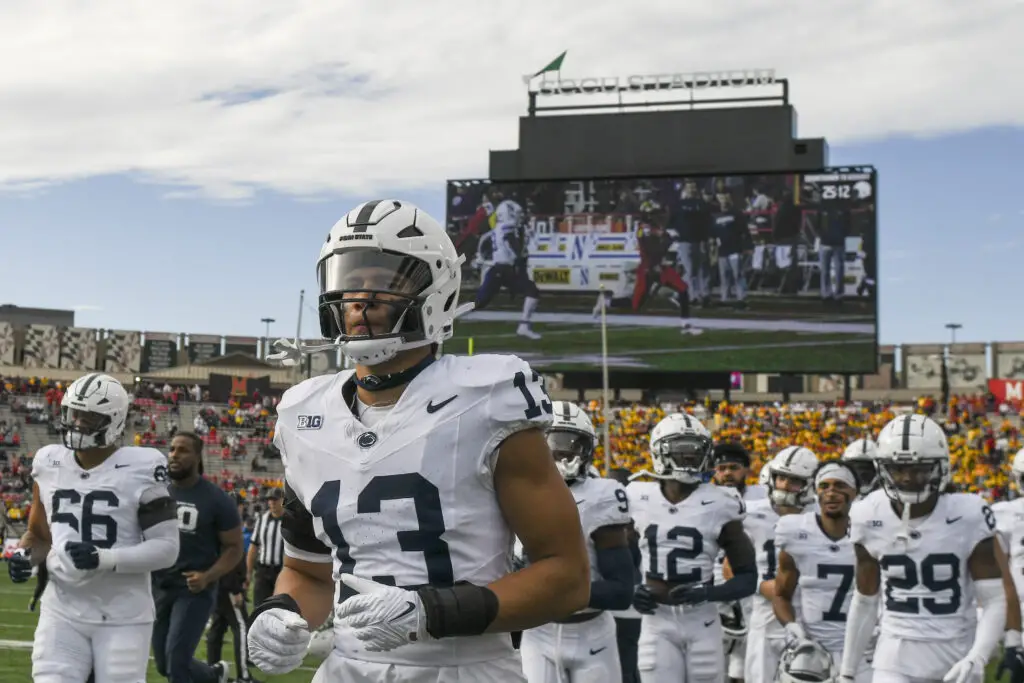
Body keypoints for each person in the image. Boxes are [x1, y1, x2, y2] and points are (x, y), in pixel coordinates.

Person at [247, 199, 590, 682]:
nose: (359, 300)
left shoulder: (486, 396)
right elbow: (308, 572)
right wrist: (281, 612)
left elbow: (567, 578)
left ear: (436, 290)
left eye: (384, 282)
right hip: (347, 667)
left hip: (463, 666)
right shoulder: (304, 413)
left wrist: (431, 612)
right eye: (349, 282)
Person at [13, 372, 180, 683]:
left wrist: (104, 558)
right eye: (73, 413)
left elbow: (167, 549)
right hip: (62, 609)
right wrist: (26, 556)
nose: (76, 423)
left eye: (88, 417)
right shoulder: (49, 462)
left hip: (123, 614)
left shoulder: (142, 466)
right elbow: (38, 537)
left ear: (114, 421)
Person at [841, 413, 1024, 683]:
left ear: (941, 467)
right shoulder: (867, 514)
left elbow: (994, 599)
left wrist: (977, 657)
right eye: (898, 468)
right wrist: (847, 671)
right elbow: (865, 600)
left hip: (956, 653)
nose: (907, 478)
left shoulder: (968, 513)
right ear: (883, 469)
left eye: (920, 468)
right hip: (895, 656)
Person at [627, 412, 757, 683]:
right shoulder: (636, 497)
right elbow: (618, 560)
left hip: (703, 619)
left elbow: (748, 578)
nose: (689, 459)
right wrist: (631, 588)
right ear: (659, 452)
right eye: (680, 451)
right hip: (656, 619)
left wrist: (708, 592)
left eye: (695, 452)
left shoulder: (722, 502)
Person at [518, 401, 635, 683]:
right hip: (537, 630)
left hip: (591, 630)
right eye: (554, 442)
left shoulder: (602, 496)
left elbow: (621, 590)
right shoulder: (514, 490)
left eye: (573, 444)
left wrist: (551, 589)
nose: (564, 453)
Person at [152, 432, 244, 683]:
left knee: (177, 664)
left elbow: (235, 547)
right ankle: (214, 675)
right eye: (171, 449)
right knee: (163, 663)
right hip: (159, 586)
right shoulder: (158, 493)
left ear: (197, 456)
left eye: (182, 450)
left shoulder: (216, 499)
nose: (174, 455)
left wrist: (208, 577)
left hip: (194, 589)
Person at [772, 461, 870, 682]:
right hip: (812, 649)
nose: (831, 493)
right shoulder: (795, 531)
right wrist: (791, 625)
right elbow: (780, 594)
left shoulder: (870, 533)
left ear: (855, 492)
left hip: (862, 651)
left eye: (840, 486)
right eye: (824, 486)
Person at [739, 445, 819, 683]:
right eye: (781, 477)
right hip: (764, 617)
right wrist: (767, 587)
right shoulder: (751, 514)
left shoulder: (821, 515)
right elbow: (731, 568)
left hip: (811, 619)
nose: (784, 485)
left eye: (794, 481)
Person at [709, 441, 764, 683]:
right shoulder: (703, 498)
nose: (728, 473)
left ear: (746, 470)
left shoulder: (762, 498)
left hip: (752, 585)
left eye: (734, 467)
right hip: (715, 585)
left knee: (749, 660)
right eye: (721, 468)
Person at [205, 550, 253, 682]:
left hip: (218, 586)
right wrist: (235, 588)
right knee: (241, 627)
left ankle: (213, 672)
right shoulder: (228, 533)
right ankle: (243, 676)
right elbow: (230, 558)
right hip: (228, 588)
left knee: (217, 628)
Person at [247, 486, 285, 607]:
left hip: (282, 571)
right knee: (259, 608)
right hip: (263, 571)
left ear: (282, 500)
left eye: (275, 499)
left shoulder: (290, 521)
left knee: (280, 609)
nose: (272, 502)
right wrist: (248, 572)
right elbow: (253, 547)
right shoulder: (261, 519)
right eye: (269, 499)